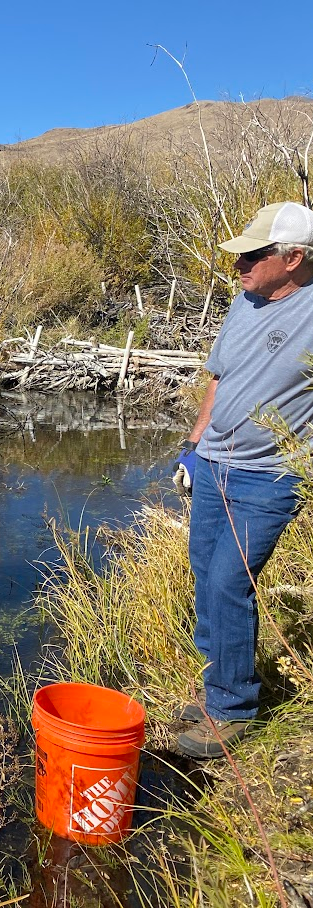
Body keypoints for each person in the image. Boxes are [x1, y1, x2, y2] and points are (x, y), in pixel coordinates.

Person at [172, 201, 313, 759]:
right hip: (213, 464)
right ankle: (216, 688)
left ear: (294, 258)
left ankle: (232, 708)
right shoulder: (244, 301)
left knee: (231, 580)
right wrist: (194, 445)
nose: (241, 265)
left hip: (270, 477)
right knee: (206, 573)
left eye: (254, 255)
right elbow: (219, 376)